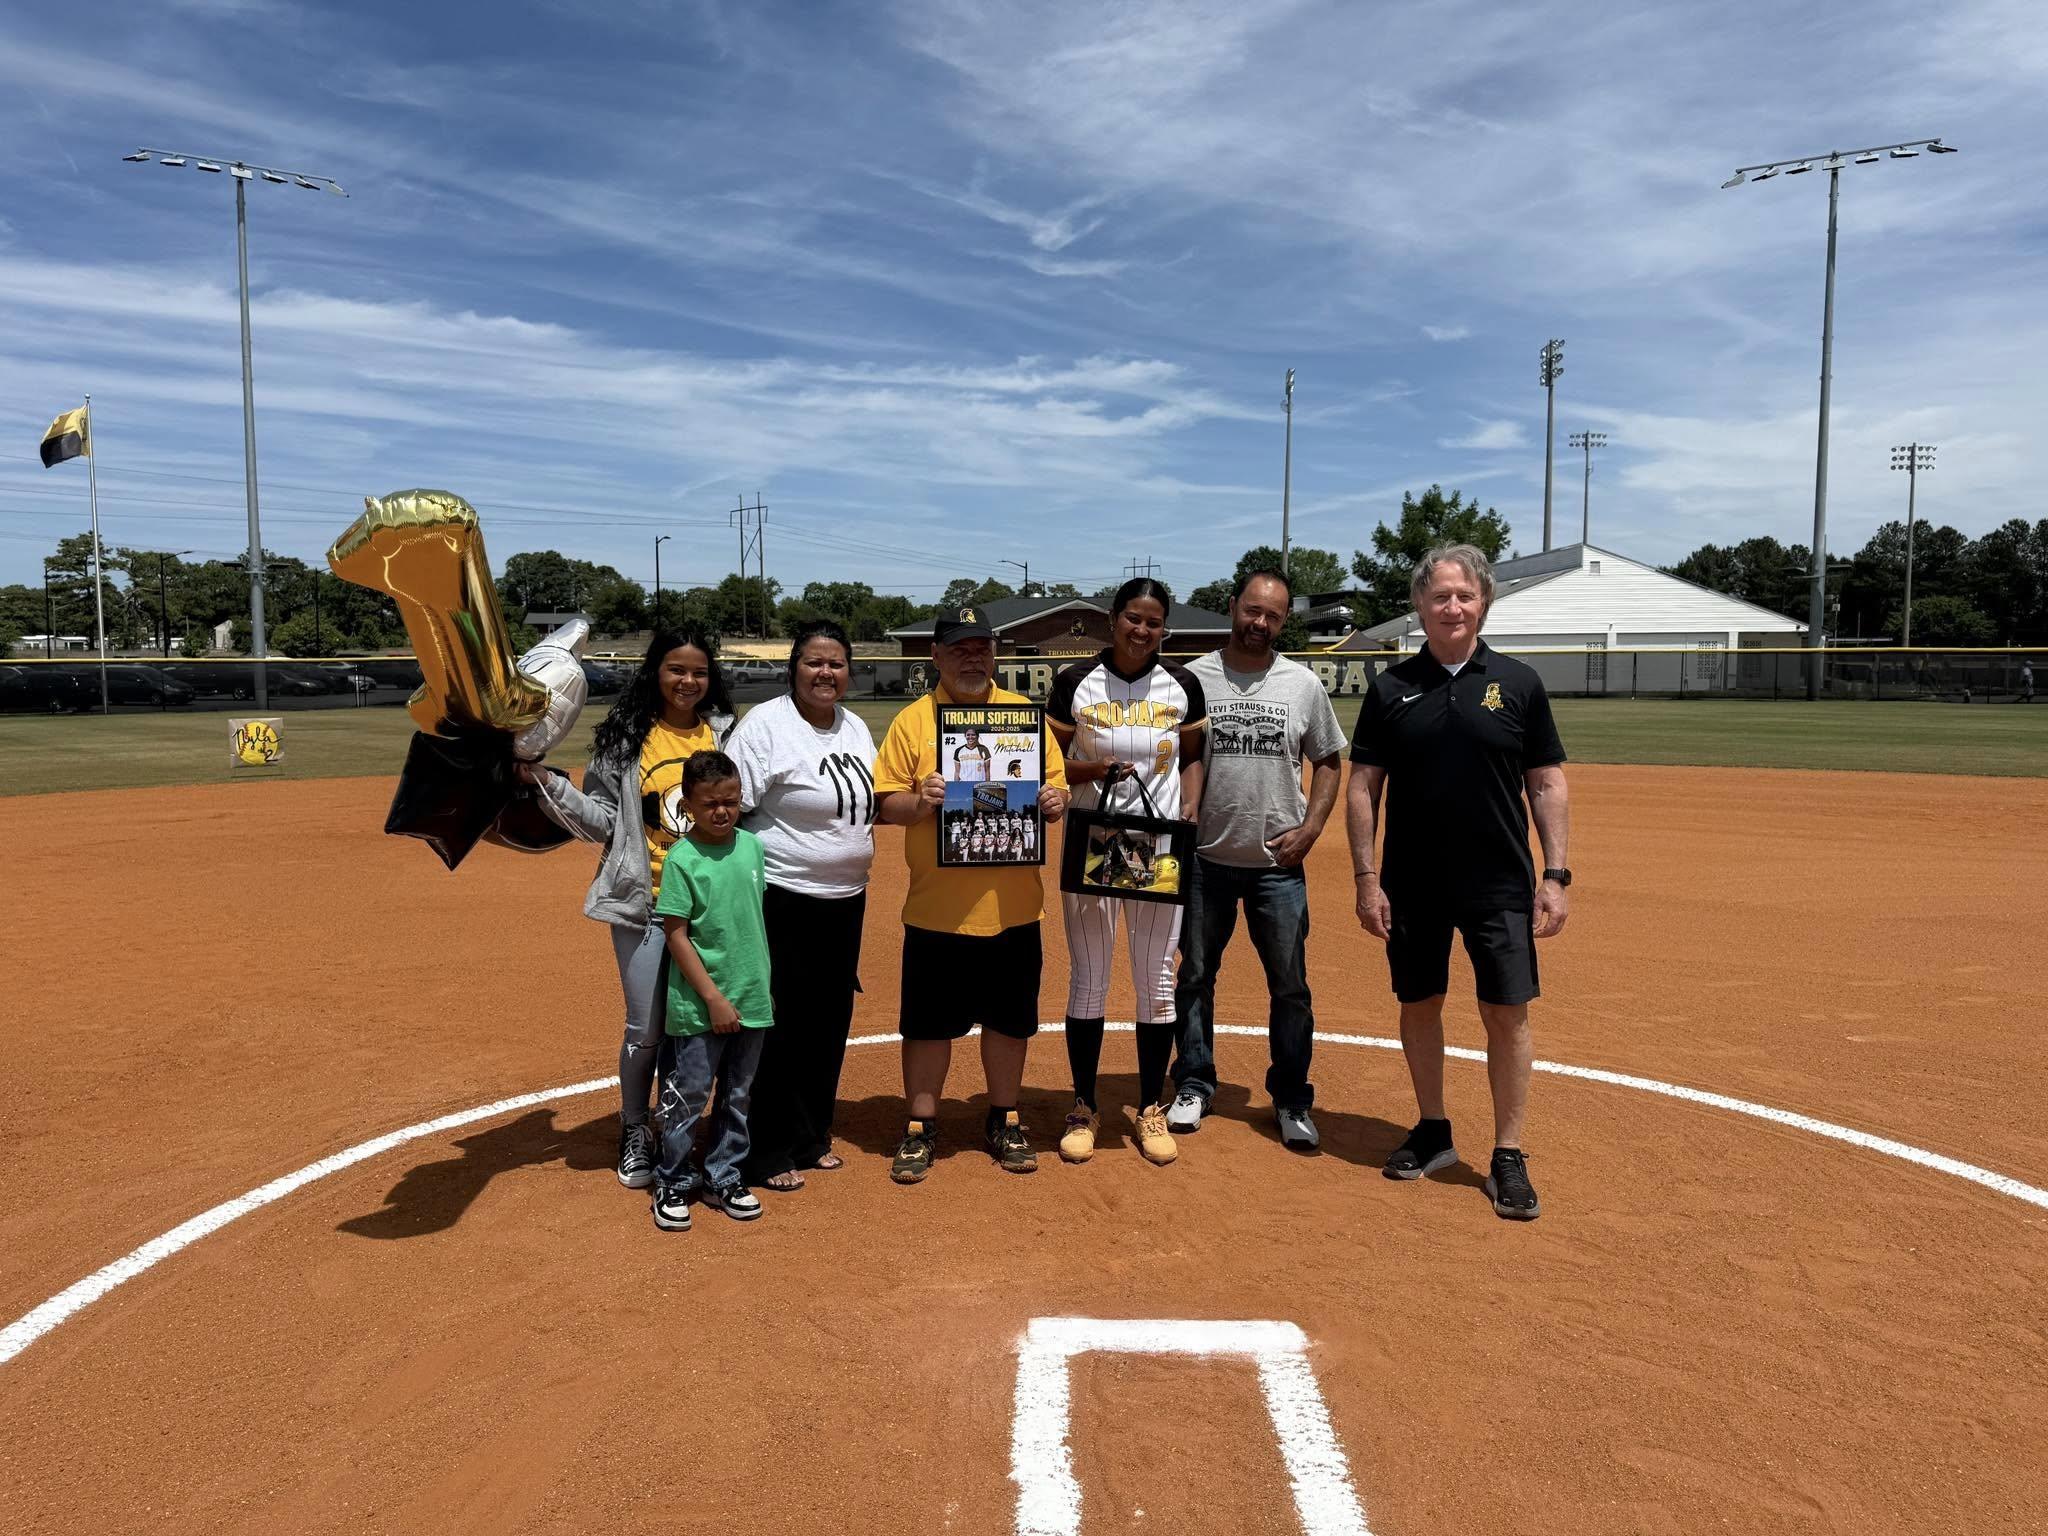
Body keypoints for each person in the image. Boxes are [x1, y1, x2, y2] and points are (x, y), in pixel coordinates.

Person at [1345, 544, 1570, 1221]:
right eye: (1439, 595)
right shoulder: (1389, 688)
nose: (1452, 606)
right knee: (1420, 1002)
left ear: (1483, 603)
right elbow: (1362, 789)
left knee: (1506, 1013)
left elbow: (1547, 782)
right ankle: (1434, 1127)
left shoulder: (1519, 684)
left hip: (1499, 880)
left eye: (1464, 595)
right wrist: (1366, 876)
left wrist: (1555, 873)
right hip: (1412, 882)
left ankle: (1507, 1152)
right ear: (1419, 605)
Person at [527, 626, 735, 1189]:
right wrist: (549, 784)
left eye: (698, 671)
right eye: (676, 669)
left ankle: (681, 1126)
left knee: (696, 1025)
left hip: (709, 906)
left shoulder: (725, 734)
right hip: (644, 905)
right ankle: (635, 1129)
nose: (688, 681)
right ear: (656, 673)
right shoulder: (626, 739)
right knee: (646, 1028)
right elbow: (601, 820)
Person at [872, 605, 1070, 1182]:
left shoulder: (1023, 719)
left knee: (1010, 1022)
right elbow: (886, 806)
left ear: (995, 653)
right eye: (958, 647)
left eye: (981, 646)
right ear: (935, 655)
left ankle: (1004, 1117)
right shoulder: (914, 722)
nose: (971, 657)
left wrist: (1053, 802)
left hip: (1013, 907)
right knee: (928, 1024)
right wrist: (922, 800)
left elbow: (1051, 790)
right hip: (937, 908)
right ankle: (920, 1125)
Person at [1166, 569, 1344, 1149]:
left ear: (1283, 621)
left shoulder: (1301, 684)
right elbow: (1175, 755)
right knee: (1194, 977)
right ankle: (1193, 1081)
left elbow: (1329, 759)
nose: (1259, 622)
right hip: (1205, 860)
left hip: (1278, 867)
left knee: (1290, 985)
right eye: (1252, 610)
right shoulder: (1194, 678)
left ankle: (1291, 1097)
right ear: (1233, 607)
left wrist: (1312, 828)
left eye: (1272, 615)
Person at [1046, 576, 1207, 1166]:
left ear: (1165, 628)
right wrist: (1095, 770)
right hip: (1094, 837)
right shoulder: (1075, 683)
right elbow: (1053, 764)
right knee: (1089, 973)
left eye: (1154, 621)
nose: (1143, 630)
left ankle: (1149, 1107)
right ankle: (1084, 1106)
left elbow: (1191, 758)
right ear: (1112, 620)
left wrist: (1189, 807)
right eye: (1133, 618)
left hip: (1158, 844)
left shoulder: (1183, 684)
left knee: (1156, 977)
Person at [727, 620, 877, 1194]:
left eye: (836, 663)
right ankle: (765, 1149)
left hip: (845, 901)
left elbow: (867, 804)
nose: (826, 673)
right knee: (779, 1024)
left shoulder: (856, 726)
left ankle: (813, 1136)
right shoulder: (765, 726)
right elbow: (731, 811)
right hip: (782, 897)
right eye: (814, 662)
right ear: (793, 668)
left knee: (827, 1021)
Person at [649, 751, 773, 1229]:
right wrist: (713, 997)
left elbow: (748, 922)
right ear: (688, 805)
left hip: (752, 995)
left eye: (731, 801)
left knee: (738, 1093)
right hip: (701, 1004)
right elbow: (676, 933)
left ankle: (724, 1173)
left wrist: (756, 987)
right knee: (689, 1092)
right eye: (709, 804)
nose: (721, 811)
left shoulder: (751, 847)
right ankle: (673, 1178)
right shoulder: (683, 859)